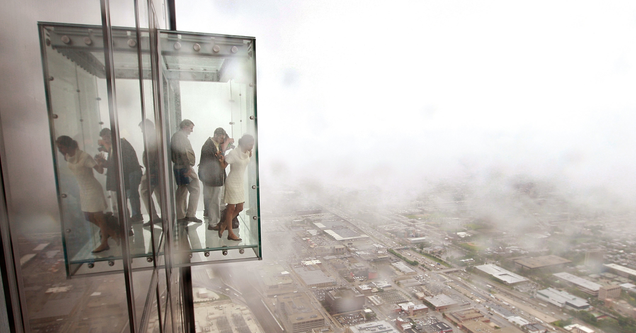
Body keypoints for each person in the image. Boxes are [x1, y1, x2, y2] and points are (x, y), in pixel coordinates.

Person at [55, 136, 119, 253]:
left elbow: (99, 171)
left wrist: (99, 162)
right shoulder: (68, 157)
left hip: (92, 188)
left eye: (61, 146)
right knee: (88, 216)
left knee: (99, 216)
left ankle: (105, 242)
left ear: (68, 145)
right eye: (59, 147)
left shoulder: (84, 156)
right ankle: (112, 233)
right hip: (83, 189)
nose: (60, 149)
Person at [95, 128, 143, 223]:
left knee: (132, 194)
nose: (106, 141)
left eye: (108, 137)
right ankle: (135, 215)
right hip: (129, 173)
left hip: (131, 173)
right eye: (104, 139)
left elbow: (120, 163)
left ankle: (136, 215)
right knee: (131, 194)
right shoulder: (116, 145)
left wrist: (105, 162)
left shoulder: (120, 144)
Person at [218, 134, 254, 241]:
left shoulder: (247, 152)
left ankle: (224, 225)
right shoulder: (233, 153)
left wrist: (250, 151)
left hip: (240, 182)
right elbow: (224, 165)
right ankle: (230, 233)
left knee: (240, 208)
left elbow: (247, 158)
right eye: (250, 144)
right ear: (244, 143)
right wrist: (220, 160)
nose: (252, 146)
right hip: (232, 182)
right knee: (231, 208)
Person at [199, 127, 234, 230]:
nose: (222, 141)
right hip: (213, 178)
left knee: (215, 200)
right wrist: (221, 158)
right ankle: (213, 223)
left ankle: (215, 221)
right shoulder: (208, 146)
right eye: (222, 138)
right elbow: (212, 164)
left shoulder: (214, 144)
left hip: (214, 178)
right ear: (216, 135)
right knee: (214, 201)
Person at [170, 119, 201, 223]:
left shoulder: (177, 136)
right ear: (185, 127)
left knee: (182, 190)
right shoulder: (180, 137)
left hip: (180, 166)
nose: (191, 131)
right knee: (193, 188)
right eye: (191, 128)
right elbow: (183, 152)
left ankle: (181, 215)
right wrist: (188, 168)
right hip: (183, 166)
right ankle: (188, 214)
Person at [139, 119, 162, 226]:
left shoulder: (152, 138)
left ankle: (154, 216)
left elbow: (151, 156)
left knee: (144, 191)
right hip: (156, 170)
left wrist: (150, 170)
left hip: (152, 170)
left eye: (142, 129)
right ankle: (165, 215)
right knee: (159, 193)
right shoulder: (155, 137)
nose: (142, 132)